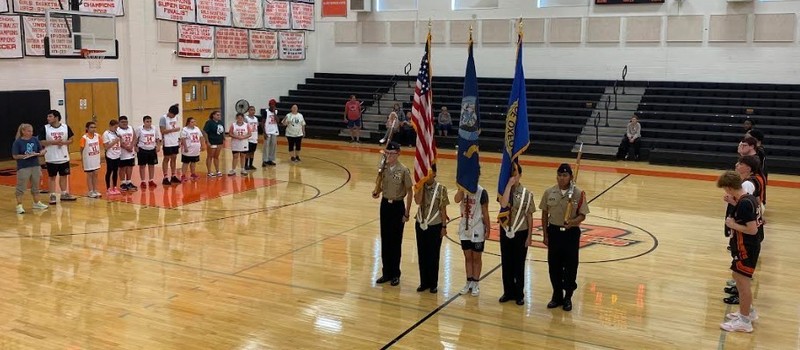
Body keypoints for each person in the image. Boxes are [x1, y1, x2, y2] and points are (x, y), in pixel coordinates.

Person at [541, 163, 590, 311]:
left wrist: (573, 222)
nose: (561, 178)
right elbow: (544, 214)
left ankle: (568, 296)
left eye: (565, 175)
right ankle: (556, 295)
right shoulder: (549, 192)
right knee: (554, 266)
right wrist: (545, 234)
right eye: (559, 175)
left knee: (570, 267)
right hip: (554, 233)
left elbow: (582, 215)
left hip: (570, 234)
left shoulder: (578, 193)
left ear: (570, 177)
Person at [718, 170, 762, 333]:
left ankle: (744, 321)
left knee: (743, 285)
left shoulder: (744, 203)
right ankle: (748, 312)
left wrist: (732, 225)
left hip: (746, 248)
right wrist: (733, 203)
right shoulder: (748, 199)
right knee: (737, 276)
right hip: (747, 247)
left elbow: (751, 230)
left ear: (729, 187)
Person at [372, 141, 413, 286]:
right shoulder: (384, 169)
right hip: (385, 205)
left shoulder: (403, 170)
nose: (389, 156)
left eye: (392, 153)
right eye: (387, 153)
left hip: (397, 207)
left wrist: (407, 212)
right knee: (385, 239)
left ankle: (395, 273)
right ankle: (386, 272)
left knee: (395, 241)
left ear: (398, 154)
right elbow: (382, 185)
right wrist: (377, 191)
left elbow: (409, 191)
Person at [497, 171, 536, 306]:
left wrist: (529, 237)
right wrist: (508, 186)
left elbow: (529, 216)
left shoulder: (527, 194)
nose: (513, 177)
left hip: (520, 232)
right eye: (511, 174)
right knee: (506, 263)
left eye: (515, 174)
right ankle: (508, 292)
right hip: (506, 231)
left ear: (520, 175)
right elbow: (503, 204)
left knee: (519, 265)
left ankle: (519, 294)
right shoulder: (503, 190)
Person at [413, 167, 449, 293]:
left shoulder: (441, 188)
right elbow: (417, 201)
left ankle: (433, 283)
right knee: (422, 254)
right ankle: (424, 282)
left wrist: (444, 227)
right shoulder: (419, 185)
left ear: (434, 173)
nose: (427, 175)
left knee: (433, 255)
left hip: (435, 224)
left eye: (429, 172)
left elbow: (443, 209)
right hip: (420, 223)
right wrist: (421, 186)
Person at [455, 179, 490, 297]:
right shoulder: (463, 189)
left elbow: (485, 212)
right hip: (464, 227)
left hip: (477, 227)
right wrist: (461, 188)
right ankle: (468, 281)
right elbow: (456, 199)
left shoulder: (482, 192)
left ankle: (476, 282)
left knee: (476, 257)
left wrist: (488, 228)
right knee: (467, 257)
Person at [39, 110, 77, 204]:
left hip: (63, 156)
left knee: (64, 176)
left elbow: (71, 140)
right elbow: (41, 142)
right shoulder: (45, 128)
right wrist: (54, 142)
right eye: (48, 116)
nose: (48, 118)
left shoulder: (65, 127)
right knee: (52, 177)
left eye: (50, 116)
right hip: (51, 157)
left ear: (56, 117)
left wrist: (64, 143)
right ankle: (52, 195)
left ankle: (64, 193)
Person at [12, 123, 48, 214]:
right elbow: (15, 156)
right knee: (21, 186)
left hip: (35, 165)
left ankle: (36, 203)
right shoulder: (18, 142)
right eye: (28, 131)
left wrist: (42, 152)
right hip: (24, 167)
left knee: (36, 185)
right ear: (23, 131)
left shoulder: (34, 139)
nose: (31, 133)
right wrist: (25, 156)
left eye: (31, 131)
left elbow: (40, 150)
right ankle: (19, 205)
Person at [135, 115, 162, 189]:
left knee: (151, 165)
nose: (149, 123)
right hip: (142, 149)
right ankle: (143, 181)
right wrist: (135, 147)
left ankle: (151, 180)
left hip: (152, 149)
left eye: (150, 121)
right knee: (142, 166)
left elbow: (158, 138)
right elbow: (135, 139)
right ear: (144, 122)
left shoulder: (154, 128)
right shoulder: (139, 129)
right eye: (147, 121)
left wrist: (158, 146)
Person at [160, 104, 182, 185]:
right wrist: (174, 130)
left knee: (174, 158)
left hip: (174, 141)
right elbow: (162, 131)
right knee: (167, 158)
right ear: (170, 112)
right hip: (167, 141)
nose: (174, 116)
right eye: (173, 114)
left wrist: (178, 139)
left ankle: (173, 175)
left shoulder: (175, 117)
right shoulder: (163, 118)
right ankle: (165, 177)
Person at [80, 121, 103, 198]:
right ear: (87, 128)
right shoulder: (84, 138)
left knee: (96, 173)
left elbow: (100, 146)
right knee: (90, 174)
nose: (93, 129)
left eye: (94, 127)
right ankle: (90, 191)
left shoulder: (98, 136)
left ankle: (95, 190)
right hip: (88, 158)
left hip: (95, 157)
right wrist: (82, 160)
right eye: (91, 127)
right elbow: (81, 149)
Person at [179, 117, 204, 181]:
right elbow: (183, 139)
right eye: (192, 122)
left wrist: (202, 145)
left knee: (193, 162)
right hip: (188, 149)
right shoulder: (185, 130)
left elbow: (201, 137)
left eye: (194, 122)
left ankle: (193, 173)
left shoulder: (197, 129)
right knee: (186, 163)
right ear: (188, 123)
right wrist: (185, 147)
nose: (194, 123)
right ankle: (183, 175)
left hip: (196, 149)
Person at [116, 116, 137, 191]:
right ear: (119, 123)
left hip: (131, 151)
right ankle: (122, 183)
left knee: (130, 166)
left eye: (126, 121)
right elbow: (118, 141)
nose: (124, 123)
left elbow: (134, 137)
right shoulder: (117, 130)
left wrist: (132, 146)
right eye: (122, 122)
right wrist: (126, 147)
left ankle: (128, 182)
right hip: (122, 152)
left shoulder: (131, 128)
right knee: (122, 167)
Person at [203, 110, 225, 176]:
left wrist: (223, 137)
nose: (219, 116)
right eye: (217, 115)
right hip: (212, 141)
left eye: (219, 115)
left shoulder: (221, 122)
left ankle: (217, 170)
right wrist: (207, 141)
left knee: (216, 156)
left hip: (219, 141)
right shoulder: (209, 123)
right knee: (210, 156)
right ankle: (209, 171)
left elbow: (222, 131)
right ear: (213, 115)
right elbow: (204, 132)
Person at [103, 119, 122, 195]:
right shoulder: (106, 134)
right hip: (110, 155)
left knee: (115, 171)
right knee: (109, 171)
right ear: (110, 126)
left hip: (117, 154)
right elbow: (106, 147)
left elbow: (121, 142)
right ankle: (108, 188)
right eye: (115, 127)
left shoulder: (117, 133)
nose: (116, 129)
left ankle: (114, 186)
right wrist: (115, 141)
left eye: (117, 127)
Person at [261, 99, 279, 166]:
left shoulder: (276, 112)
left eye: (273, 104)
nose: (272, 105)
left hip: (274, 131)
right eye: (271, 104)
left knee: (273, 146)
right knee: (266, 146)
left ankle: (270, 159)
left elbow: (278, 121)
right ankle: (264, 160)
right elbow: (262, 122)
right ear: (269, 105)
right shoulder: (266, 112)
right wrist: (264, 132)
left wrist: (274, 113)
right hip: (267, 131)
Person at [244, 105, 260, 170]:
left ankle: (251, 165)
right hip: (248, 138)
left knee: (252, 152)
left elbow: (257, 127)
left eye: (253, 110)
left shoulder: (256, 118)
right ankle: (245, 165)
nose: (252, 111)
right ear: (248, 111)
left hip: (254, 137)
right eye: (251, 110)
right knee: (247, 152)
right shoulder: (246, 118)